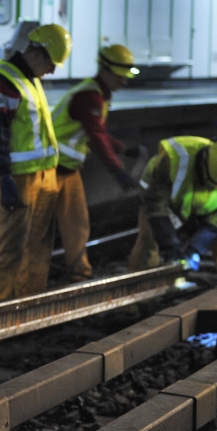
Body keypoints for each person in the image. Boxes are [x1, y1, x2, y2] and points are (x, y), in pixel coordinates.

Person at [0, 24, 71, 302]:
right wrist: (4, 177)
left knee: (38, 246)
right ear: (36, 53)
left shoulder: (30, 80)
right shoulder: (1, 82)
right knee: (7, 249)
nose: (52, 71)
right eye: (51, 63)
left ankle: (28, 308)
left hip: (42, 176)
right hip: (17, 178)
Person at [50, 44, 140, 283]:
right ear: (106, 71)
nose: (125, 83)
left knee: (77, 225)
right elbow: (96, 136)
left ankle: (79, 277)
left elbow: (98, 131)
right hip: (50, 168)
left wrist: (123, 149)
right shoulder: (88, 96)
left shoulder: (95, 94)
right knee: (43, 231)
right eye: (121, 77)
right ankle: (31, 286)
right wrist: (118, 171)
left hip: (67, 170)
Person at [127, 136, 217, 283]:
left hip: (205, 207)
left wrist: (195, 249)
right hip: (162, 200)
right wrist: (171, 245)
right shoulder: (174, 158)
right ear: (203, 165)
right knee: (148, 243)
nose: (211, 188)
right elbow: (156, 206)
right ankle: (139, 301)